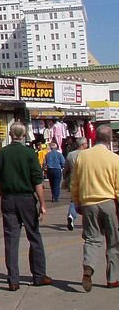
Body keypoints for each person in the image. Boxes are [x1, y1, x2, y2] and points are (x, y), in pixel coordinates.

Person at [0, 122, 52, 291]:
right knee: (34, 236)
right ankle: (39, 275)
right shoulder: (29, 153)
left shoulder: (1, 154)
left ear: (10, 135)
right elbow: (37, 181)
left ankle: (13, 279)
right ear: (24, 135)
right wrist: (43, 203)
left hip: (8, 198)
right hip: (26, 199)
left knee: (11, 239)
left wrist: (3, 195)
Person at [70, 124, 119, 292]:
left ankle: (88, 266)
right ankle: (112, 278)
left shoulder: (82, 157)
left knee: (92, 238)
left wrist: (76, 202)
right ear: (110, 139)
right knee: (113, 241)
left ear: (94, 137)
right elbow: (118, 186)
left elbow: (74, 182)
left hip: (88, 203)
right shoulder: (114, 158)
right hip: (108, 202)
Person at [63, 137, 88, 230]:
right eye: (85, 144)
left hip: (73, 179)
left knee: (74, 199)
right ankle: (87, 221)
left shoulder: (70, 155)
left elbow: (66, 169)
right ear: (82, 145)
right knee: (86, 200)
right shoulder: (87, 154)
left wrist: (65, 178)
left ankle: (71, 215)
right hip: (85, 179)